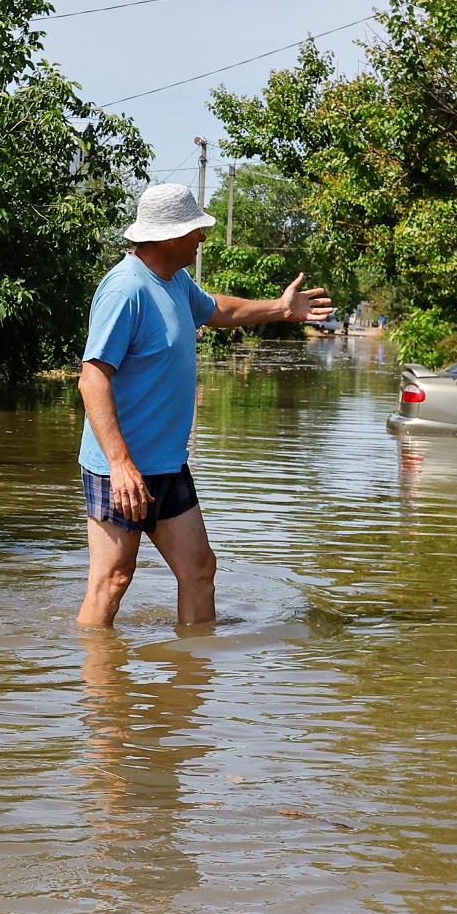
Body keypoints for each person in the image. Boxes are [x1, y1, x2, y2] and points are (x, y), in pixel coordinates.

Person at [76, 182, 335, 628]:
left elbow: (220, 312)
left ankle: (192, 681)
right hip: (119, 467)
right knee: (113, 580)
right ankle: (100, 693)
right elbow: (92, 378)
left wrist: (280, 309)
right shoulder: (126, 290)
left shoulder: (175, 282)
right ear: (167, 236)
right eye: (195, 230)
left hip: (168, 463)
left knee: (199, 571)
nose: (202, 238)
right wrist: (120, 464)